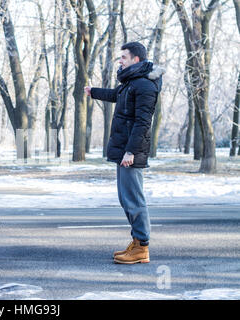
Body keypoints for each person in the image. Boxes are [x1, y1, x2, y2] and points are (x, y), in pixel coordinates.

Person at [84, 42, 164, 264]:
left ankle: (142, 247)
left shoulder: (145, 86)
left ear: (136, 59)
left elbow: (142, 123)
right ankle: (137, 242)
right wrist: (93, 92)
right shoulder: (132, 83)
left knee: (133, 199)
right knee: (126, 198)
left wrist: (130, 151)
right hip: (125, 151)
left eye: (124, 57)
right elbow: (115, 95)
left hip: (131, 152)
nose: (121, 61)